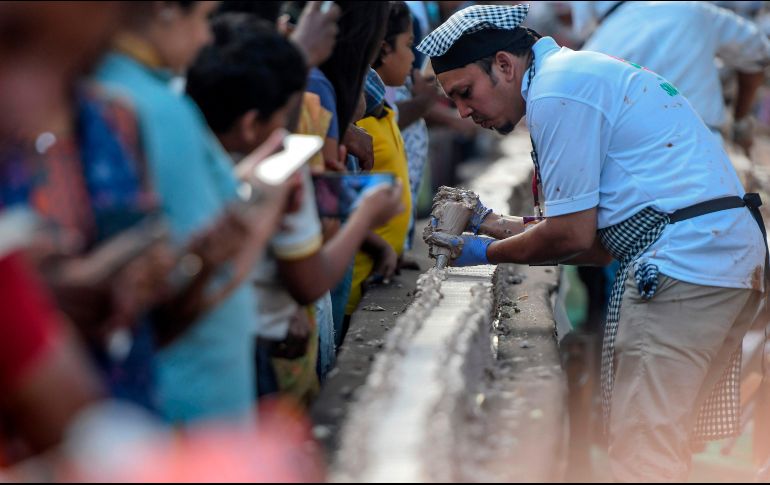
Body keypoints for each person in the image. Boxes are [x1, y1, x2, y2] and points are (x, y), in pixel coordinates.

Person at [419, 4, 768, 481]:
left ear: (503, 64)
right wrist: (495, 224)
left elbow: (570, 235)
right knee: (659, 439)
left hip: (686, 262)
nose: (462, 111)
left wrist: (481, 252)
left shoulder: (556, 91)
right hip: (715, 255)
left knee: (644, 449)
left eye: (465, 93)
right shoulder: (569, 73)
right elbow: (595, 244)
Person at [95, 1, 296, 424]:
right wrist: (264, 208)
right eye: (202, 18)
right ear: (165, 10)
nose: (206, 37)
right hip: (193, 396)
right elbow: (202, 272)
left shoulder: (132, 90)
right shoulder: (154, 107)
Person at [186, 14, 403, 402]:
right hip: (257, 353)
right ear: (254, 124)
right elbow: (308, 282)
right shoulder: (279, 170)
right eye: (286, 117)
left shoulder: (186, 152)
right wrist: (365, 216)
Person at [573, 1, 770, 154]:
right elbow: (757, 54)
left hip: (635, 168)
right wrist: (741, 120)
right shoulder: (691, 10)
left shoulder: (594, 51)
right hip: (708, 153)